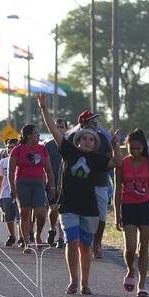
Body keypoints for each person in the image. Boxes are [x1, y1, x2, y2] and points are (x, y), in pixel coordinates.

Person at [37, 96, 122, 295]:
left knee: (85, 246)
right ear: (78, 140)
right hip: (69, 206)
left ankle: (85, 282)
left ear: (95, 143)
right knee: (71, 241)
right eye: (84, 137)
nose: (87, 141)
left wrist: (115, 145)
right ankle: (73, 281)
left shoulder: (98, 159)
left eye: (91, 139)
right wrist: (43, 108)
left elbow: (117, 162)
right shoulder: (69, 151)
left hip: (89, 208)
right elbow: (53, 130)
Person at [114, 129, 149, 297]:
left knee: (144, 248)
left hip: (145, 208)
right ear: (126, 147)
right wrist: (116, 215)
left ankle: (142, 284)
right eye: (131, 148)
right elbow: (117, 190)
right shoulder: (122, 164)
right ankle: (130, 270)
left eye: (138, 149)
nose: (135, 152)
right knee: (130, 248)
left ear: (143, 147)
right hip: (128, 208)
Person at [67, 110, 112, 259]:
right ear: (83, 123)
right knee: (77, 214)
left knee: (101, 216)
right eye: (92, 119)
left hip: (100, 182)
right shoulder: (73, 138)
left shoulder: (103, 139)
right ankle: (80, 242)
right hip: (77, 184)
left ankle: (97, 244)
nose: (95, 122)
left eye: (96, 119)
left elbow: (109, 159)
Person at [8, 125, 55, 253]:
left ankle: (37, 234)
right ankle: (27, 242)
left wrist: (52, 186)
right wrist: (12, 188)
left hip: (38, 184)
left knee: (41, 213)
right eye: (36, 133)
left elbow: (49, 170)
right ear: (28, 135)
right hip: (22, 184)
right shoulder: (17, 150)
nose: (39, 136)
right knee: (24, 212)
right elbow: (11, 171)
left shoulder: (42, 149)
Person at [44, 118, 68, 248]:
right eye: (57, 126)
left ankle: (60, 238)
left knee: (63, 210)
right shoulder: (48, 145)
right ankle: (52, 229)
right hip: (52, 183)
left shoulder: (71, 144)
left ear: (66, 129)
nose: (59, 129)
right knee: (53, 209)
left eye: (62, 127)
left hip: (66, 183)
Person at [0, 138, 20, 246]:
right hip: (6, 193)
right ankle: (11, 236)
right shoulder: (3, 162)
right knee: (8, 217)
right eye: (8, 147)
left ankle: (22, 238)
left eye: (13, 147)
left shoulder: (21, 160)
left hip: (20, 193)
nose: (10, 149)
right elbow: (0, 179)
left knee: (20, 217)